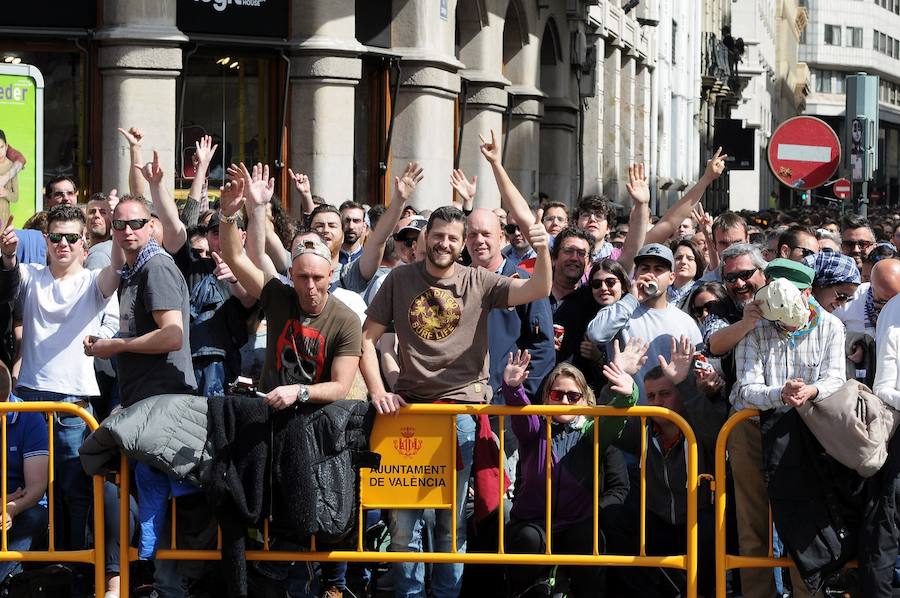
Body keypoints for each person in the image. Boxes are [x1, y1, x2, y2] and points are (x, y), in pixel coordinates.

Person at [360, 195, 552, 596]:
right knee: (403, 523)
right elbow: (366, 339)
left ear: (462, 243)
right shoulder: (398, 280)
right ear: (425, 239)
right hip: (409, 414)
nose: (444, 244)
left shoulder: (478, 281)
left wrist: (543, 247)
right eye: (437, 236)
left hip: (462, 414)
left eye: (452, 238)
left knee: (451, 523)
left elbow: (539, 287)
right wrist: (379, 391)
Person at [218, 176, 362, 597]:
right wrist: (232, 211)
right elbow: (234, 256)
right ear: (292, 274)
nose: (310, 287)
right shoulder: (278, 296)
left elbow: (339, 386)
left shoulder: (345, 320)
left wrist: (299, 392)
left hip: (314, 431)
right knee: (258, 516)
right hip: (269, 424)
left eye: (318, 277)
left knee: (304, 527)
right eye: (302, 277)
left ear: (331, 273)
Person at [1, 204, 121, 565]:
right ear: (45, 240)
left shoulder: (92, 280)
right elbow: (7, 287)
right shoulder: (30, 274)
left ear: (85, 241)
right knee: (26, 492)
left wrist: (118, 226)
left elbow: (115, 272)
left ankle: (75, 568)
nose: (63, 244)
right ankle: (32, 569)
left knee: (75, 492)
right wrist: (7, 256)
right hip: (29, 402)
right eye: (56, 237)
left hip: (74, 407)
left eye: (71, 237)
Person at [731, 258, 846, 598]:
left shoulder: (830, 326)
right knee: (753, 524)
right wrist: (778, 394)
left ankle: (806, 593)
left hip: (809, 432)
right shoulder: (754, 322)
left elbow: (836, 378)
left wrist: (812, 391)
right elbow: (744, 387)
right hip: (751, 428)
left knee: (805, 521)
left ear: (808, 292)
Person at [501, 351, 634, 598]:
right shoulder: (535, 429)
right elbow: (520, 415)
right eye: (556, 394)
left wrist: (628, 396)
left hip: (577, 523)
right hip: (535, 524)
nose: (564, 401)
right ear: (546, 398)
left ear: (585, 401)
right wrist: (512, 388)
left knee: (590, 538)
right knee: (526, 539)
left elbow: (613, 423)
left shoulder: (591, 431)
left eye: (573, 396)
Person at [606, 336, 727, 598]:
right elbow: (605, 431)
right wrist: (616, 382)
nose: (657, 401)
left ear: (681, 394)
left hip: (698, 524)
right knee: (614, 517)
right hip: (660, 522)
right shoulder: (645, 427)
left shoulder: (696, 423)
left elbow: (716, 433)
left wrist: (685, 383)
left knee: (710, 527)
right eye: (650, 396)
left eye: (665, 394)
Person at [84, 195, 197, 406]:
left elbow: (173, 335)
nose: (127, 231)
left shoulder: (156, 267)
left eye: (136, 224)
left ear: (150, 226)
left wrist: (117, 345)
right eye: (120, 224)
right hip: (141, 397)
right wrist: (106, 343)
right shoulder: (131, 271)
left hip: (164, 399)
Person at [585, 243, 702, 401]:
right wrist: (632, 299)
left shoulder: (685, 321)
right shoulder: (621, 308)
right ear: (636, 274)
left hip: (670, 417)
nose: (651, 275)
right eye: (645, 268)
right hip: (628, 413)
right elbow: (596, 334)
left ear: (671, 277)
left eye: (659, 269)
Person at [0, 362, 49, 585]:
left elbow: (37, 487)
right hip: (8, 498)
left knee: (34, 518)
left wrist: (11, 508)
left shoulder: (29, 417)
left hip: (23, 506)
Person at [575, 195, 618, 261]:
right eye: (586, 215)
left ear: (608, 228)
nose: (592, 219)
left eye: (599, 216)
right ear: (576, 223)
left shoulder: (617, 257)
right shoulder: (565, 253)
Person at [668, 238, 705, 307]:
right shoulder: (660, 291)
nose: (683, 262)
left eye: (690, 258)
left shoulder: (702, 293)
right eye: (678, 258)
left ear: (698, 264)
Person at [339, 200, 368, 265]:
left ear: (364, 226)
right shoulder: (329, 259)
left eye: (356, 221)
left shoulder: (370, 260)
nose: (351, 226)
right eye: (347, 220)